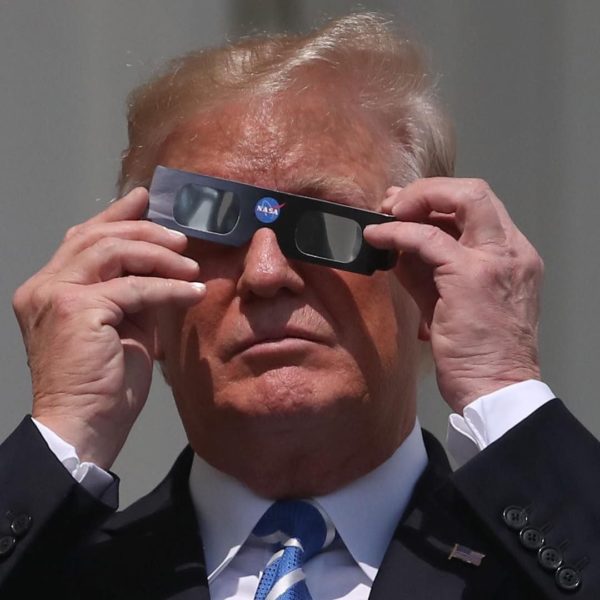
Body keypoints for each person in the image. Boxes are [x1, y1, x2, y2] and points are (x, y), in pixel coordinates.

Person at [1, 12, 599, 600]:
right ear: (137, 283)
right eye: (212, 227)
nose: (265, 273)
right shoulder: (54, 574)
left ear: (430, 278)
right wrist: (64, 427)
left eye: (325, 226)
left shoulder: (548, 557)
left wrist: (503, 384)